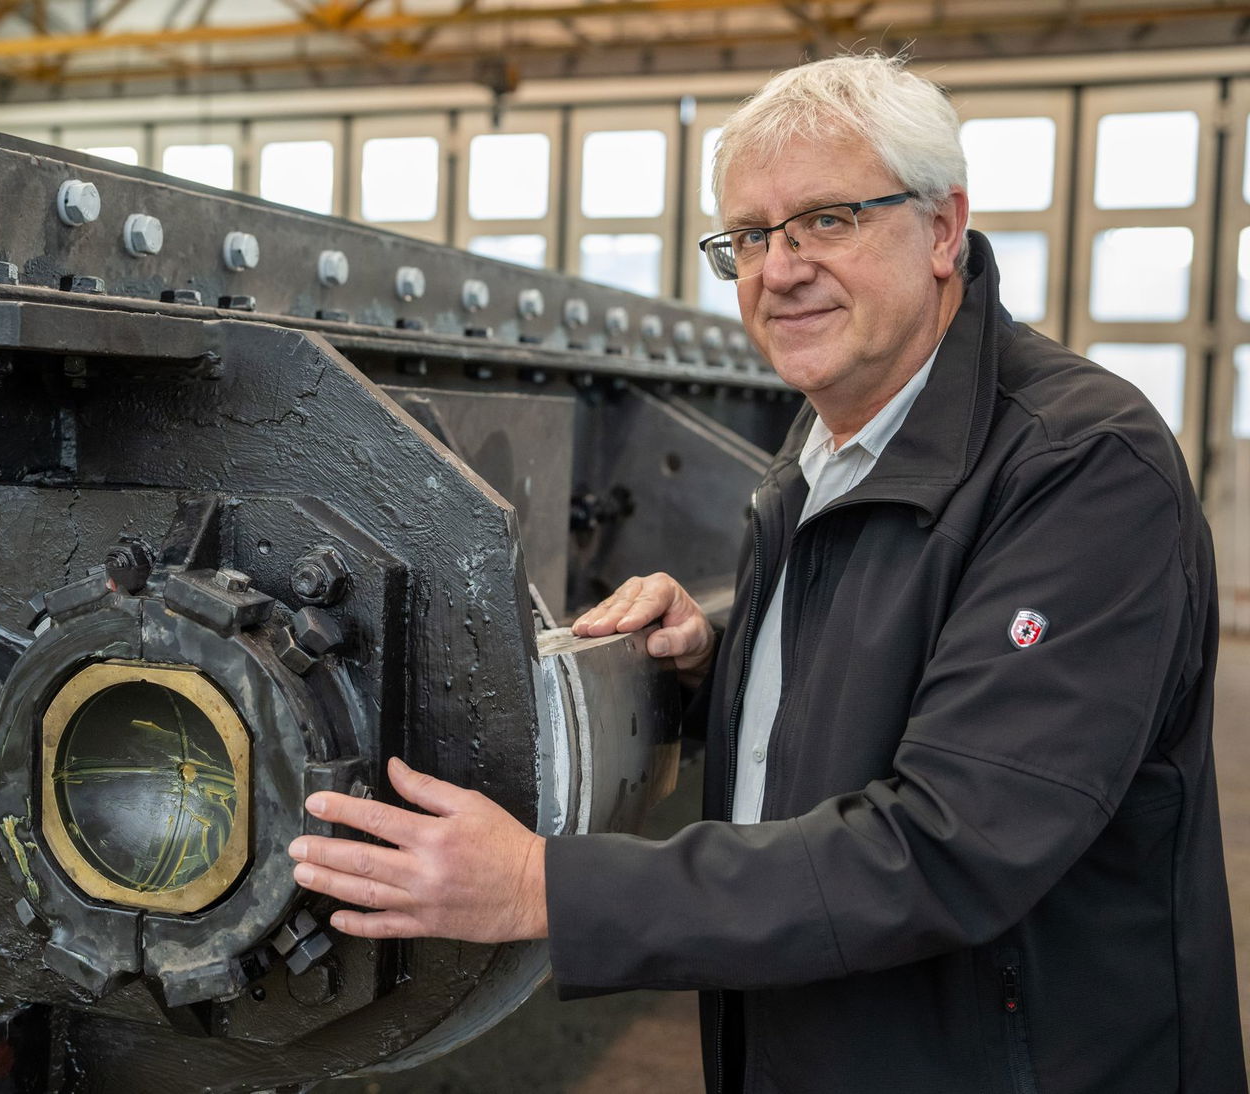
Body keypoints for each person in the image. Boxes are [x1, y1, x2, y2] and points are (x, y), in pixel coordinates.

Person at [287, 53, 1247, 1093]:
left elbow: (947, 843)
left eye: (826, 220)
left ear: (941, 228)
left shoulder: (1081, 465)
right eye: (747, 234)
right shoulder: (828, 441)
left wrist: (544, 885)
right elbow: (880, 680)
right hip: (816, 1036)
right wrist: (722, 661)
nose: (777, 268)